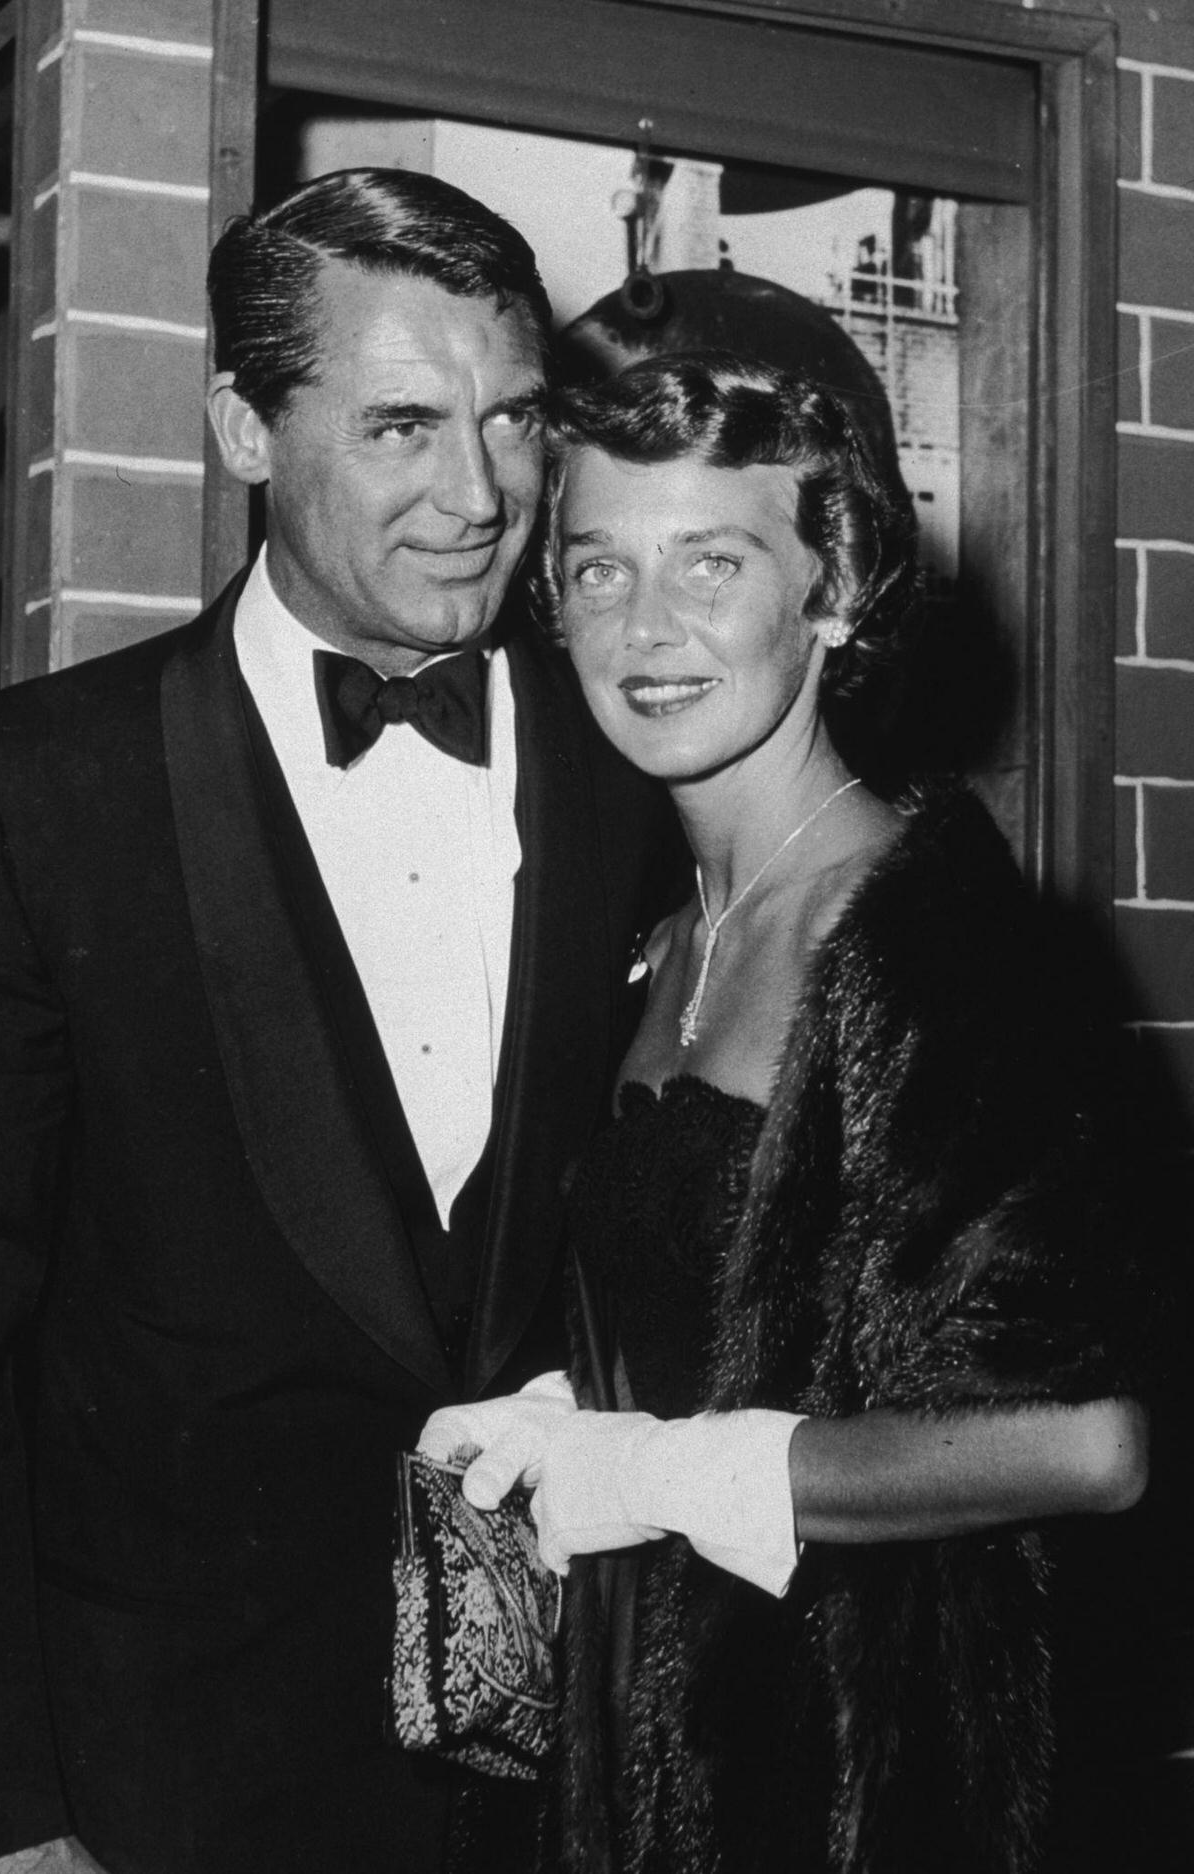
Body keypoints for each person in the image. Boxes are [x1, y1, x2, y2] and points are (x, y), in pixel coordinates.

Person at [0, 169, 668, 1874]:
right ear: (239, 426)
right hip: (162, 1791)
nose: (480, 492)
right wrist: (2, 1826)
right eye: (400, 426)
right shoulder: (28, 794)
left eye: (512, 421)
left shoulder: (635, 768)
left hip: (551, 1791)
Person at [422, 354, 1155, 1873]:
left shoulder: (937, 938)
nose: (648, 623)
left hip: (850, 1787)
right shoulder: (658, 925)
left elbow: (1085, 1441)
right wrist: (561, 1419)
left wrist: (663, 1470)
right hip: (643, 1744)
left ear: (838, 590)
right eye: (599, 566)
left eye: (714, 560)